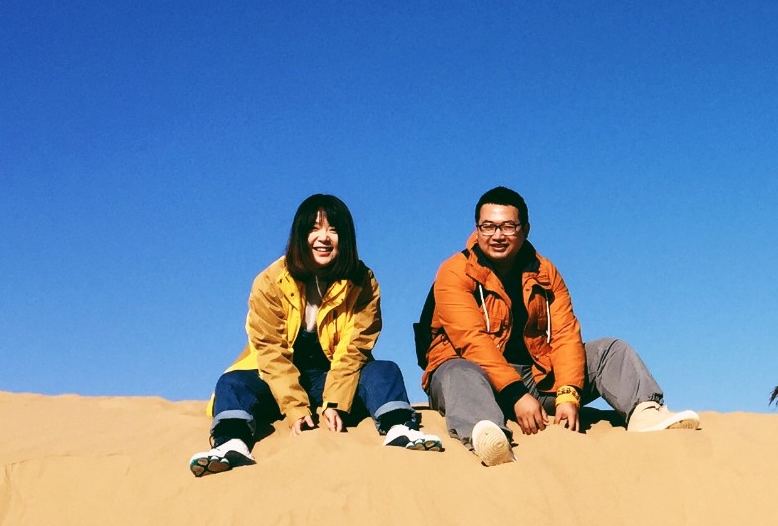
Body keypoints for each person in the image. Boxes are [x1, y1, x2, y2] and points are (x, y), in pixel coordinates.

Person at [419, 185, 700, 464]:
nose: (497, 236)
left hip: (535, 378)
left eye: (507, 227)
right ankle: (487, 435)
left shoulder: (545, 271)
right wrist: (516, 395)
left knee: (610, 350)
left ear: (525, 229)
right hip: (469, 373)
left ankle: (644, 412)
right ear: (477, 229)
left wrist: (568, 393)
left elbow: (566, 334)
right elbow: (472, 340)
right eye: (488, 227)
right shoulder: (455, 270)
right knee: (459, 371)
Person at [191, 194, 443, 476]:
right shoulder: (270, 281)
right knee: (232, 382)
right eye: (314, 228)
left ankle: (399, 428)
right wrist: (295, 408)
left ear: (345, 238)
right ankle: (231, 444)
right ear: (300, 234)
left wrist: (335, 403)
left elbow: (356, 347)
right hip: (279, 382)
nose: (323, 237)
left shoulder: (363, 281)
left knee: (384, 371)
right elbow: (269, 350)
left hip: (336, 379)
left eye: (333, 229)